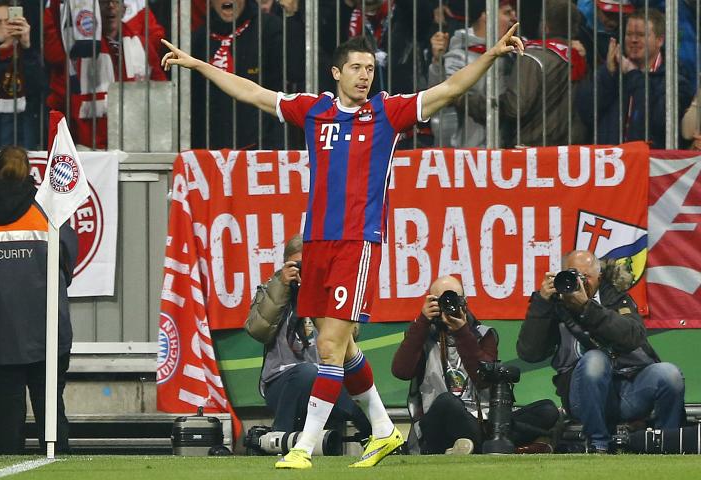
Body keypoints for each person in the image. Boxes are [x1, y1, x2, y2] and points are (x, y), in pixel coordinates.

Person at [161, 23, 523, 469]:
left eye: (370, 68)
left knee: (330, 346)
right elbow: (253, 93)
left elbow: (448, 89)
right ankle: (385, 431)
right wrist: (198, 64)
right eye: (356, 68)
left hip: (357, 243)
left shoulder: (387, 112)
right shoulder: (315, 110)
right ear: (336, 72)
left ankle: (303, 447)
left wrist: (490, 56)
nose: (364, 75)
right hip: (316, 244)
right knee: (344, 348)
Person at [517, 250, 685, 453]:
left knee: (669, 374)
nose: (579, 282)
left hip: (627, 392)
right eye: (573, 275)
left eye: (585, 276)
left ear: (599, 277)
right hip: (582, 397)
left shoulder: (616, 299)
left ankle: (668, 444)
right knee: (595, 360)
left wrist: (587, 308)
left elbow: (633, 337)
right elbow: (529, 353)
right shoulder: (554, 306)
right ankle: (598, 445)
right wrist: (541, 304)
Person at [392, 275, 559, 455]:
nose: (449, 304)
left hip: (481, 423)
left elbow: (483, 380)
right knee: (447, 402)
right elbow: (401, 371)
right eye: (441, 301)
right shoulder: (421, 336)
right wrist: (423, 321)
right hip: (439, 423)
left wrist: (462, 333)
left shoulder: (484, 335)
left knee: (547, 410)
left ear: (464, 301)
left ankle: (467, 447)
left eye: (454, 298)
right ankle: (498, 446)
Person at [0, 146, 78, 454]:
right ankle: (57, 458)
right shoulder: (47, 211)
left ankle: (8, 460)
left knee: (7, 399)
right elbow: (68, 260)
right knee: (49, 400)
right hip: (45, 326)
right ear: (29, 171)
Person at [245, 234, 371, 438]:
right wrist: (281, 287)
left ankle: (374, 434)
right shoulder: (272, 288)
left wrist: (319, 291)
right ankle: (280, 437)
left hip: (327, 378)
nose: (303, 271)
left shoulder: (332, 290)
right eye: (297, 266)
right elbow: (258, 330)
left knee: (351, 390)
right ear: (286, 265)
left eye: (309, 266)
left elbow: (352, 333)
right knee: (307, 373)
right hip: (281, 382)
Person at [44, 0, 167, 149]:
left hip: (135, 145)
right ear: (94, 10)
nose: (110, 6)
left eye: (115, 2)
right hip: (88, 148)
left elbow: (162, 93)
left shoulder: (142, 45)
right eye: (104, 2)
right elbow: (59, 98)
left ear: (124, 9)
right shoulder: (79, 48)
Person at [468, 0, 587, 147]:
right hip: (570, 149)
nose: (514, 17)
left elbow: (515, 107)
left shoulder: (534, 57)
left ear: (545, 26)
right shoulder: (578, 56)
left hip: (534, 148)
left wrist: (466, 101)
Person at [575, 8, 693, 149]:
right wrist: (607, 73)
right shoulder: (612, 73)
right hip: (611, 160)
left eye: (641, 35)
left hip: (650, 161)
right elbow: (585, 112)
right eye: (629, 34)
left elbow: (659, 123)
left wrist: (634, 76)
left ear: (660, 40)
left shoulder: (675, 82)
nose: (634, 40)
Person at [190, 0, 283, 149]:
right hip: (210, 150)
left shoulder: (270, 29)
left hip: (261, 147)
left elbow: (286, 85)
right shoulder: (198, 39)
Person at [427, 0, 517, 147]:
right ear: (486, 15)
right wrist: (437, 62)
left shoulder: (513, 54)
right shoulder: (459, 57)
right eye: (507, 12)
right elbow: (440, 101)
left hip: (507, 150)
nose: (514, 17)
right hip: (469, 151)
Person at [0, 0, 46, 150]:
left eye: (9, 22)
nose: (4, 28)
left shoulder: (28, 55)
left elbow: (40, 89)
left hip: (21, 138)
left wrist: (27, 47)